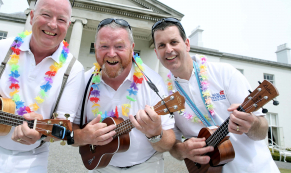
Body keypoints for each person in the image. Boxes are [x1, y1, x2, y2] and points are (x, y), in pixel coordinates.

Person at [0, 0, 85, 173]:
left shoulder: (74, 70)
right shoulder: (1, 48)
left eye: (61, 19)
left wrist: (40, 134)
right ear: (32, 16)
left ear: (69, 26)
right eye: (46, 15)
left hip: (32, 159)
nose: (53, 25)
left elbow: (63, 128)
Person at [152, 18, 279, 173]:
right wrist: (183, 149)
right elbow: (174, 145)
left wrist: (252, 123)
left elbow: (262, 130)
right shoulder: (165, 95)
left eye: (174, 42)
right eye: (162, 45)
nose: (169, 49)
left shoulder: (225, 73)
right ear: (156, 53)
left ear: (187, 44)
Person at [72, 18, 175, 173]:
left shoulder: (153, 82)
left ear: (132, 48)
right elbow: (71, 130)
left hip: (146, 165)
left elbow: (168, 143)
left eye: (119, 46)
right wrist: (83, 137)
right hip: (101, 166)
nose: (111, 53)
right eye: (104, 46)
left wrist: (156, 133)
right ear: (96, 47)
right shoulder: (84, 81)